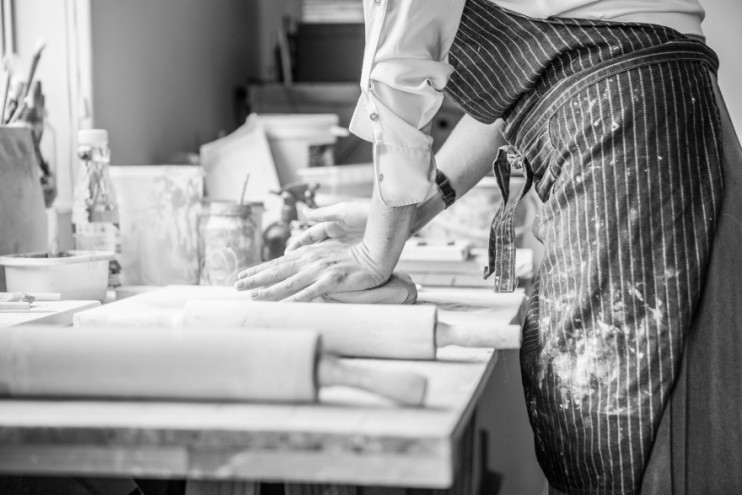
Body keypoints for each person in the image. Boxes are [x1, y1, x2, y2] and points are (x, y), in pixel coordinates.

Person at [236, 0, 742, 493]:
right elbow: (504, 103)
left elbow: (399, 77)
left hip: (626, 123)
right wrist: (401, 218)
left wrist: (374, 255)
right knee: (671, 397)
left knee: (622, 413)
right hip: (652, 103)